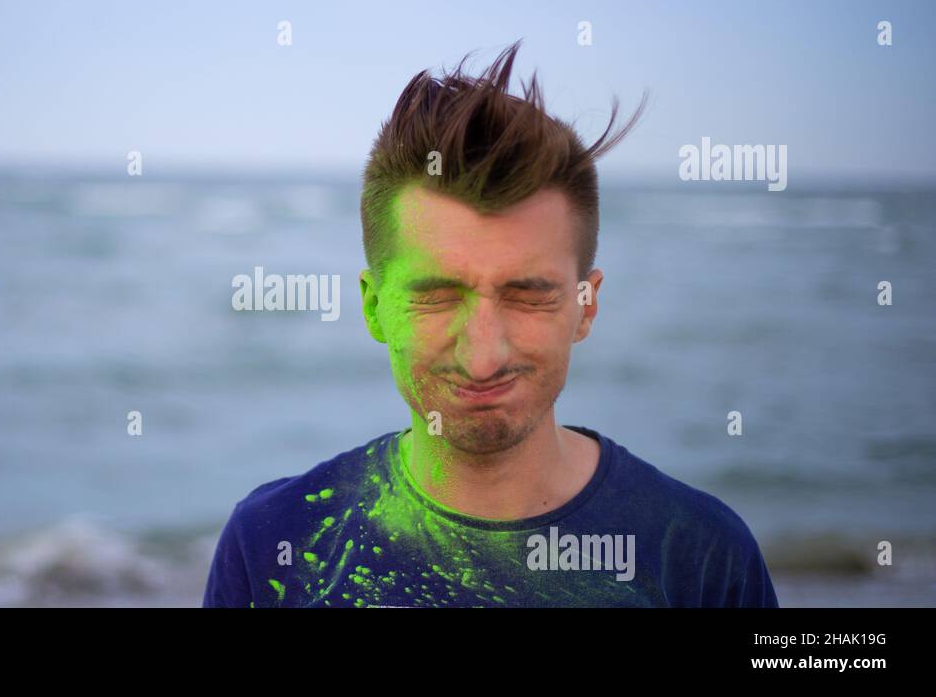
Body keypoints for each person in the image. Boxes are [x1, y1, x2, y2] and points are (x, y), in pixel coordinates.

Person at [203, 42, 778, 608]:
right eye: (437, 296)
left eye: (528, 296)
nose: (483, 356)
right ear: (373, 306)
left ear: (586, 305)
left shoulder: (701, 557)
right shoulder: (275, 546)